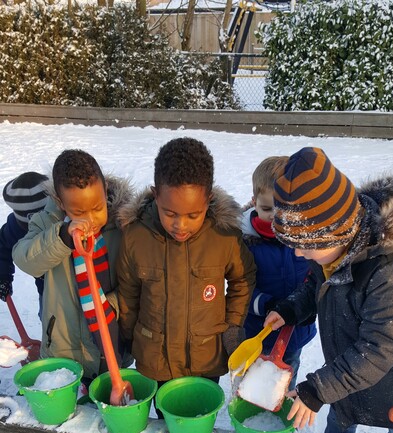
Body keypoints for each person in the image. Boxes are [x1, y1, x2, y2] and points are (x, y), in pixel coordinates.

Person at [264, 146, 393, 433]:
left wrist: (318, 389)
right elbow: (318, 285)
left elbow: (380, 347)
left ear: (335, 235)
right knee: (340, 422)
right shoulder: (334, 249)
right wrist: (291, 309)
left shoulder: (390, 270)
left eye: (305, 247)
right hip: (346, 376)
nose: (299, 255)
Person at [117, 137, 256, 388]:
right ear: (155, 195)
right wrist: (128, 336)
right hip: (155, 359)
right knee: (162, 424)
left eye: (193, 215)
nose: (180, 225)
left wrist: (233, 324)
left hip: (205, 358)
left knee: (200, 421)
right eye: (169, 213)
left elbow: (243, 278)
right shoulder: (136, 236)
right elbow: (128, 294)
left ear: (208, 199)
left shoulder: (223, 236)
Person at [12, 149, 135, 384]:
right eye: (79, 212)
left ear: (105, 190)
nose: (90, 219)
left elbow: (134, 282)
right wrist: (61, 238)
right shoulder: (47, 222)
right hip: (64, 346)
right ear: (60, 202)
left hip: (110, 342)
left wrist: (107, 306)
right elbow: (25, 258)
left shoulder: (123, 226)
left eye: (97, 208)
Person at [242, 155, 316, 388]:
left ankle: (282, 414)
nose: (274, 217)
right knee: (253, 381)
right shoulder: (246, 243)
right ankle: (249, 415)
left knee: (285, 377)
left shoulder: (305, 240)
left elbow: (316, 278)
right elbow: (240, 289)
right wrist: (266, 304)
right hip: (258, 332)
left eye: (283, 210)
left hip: (295, 334)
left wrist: (308, 305)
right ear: (254, 202)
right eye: (266, 208)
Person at [0, 172, 48, 315]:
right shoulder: (15, 228)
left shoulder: (64, 223)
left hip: (77, 288)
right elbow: (2, 249)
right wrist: (3, 277)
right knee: (48, 321)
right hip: (45, 290)